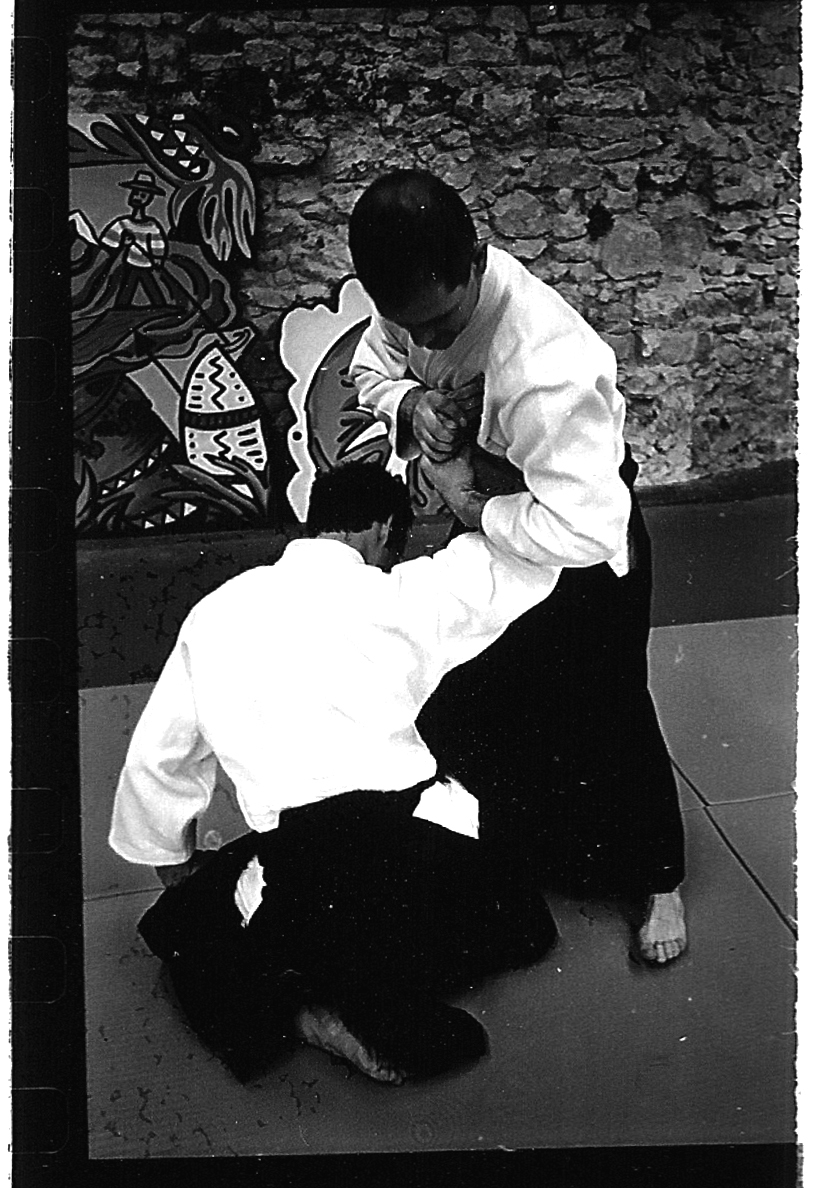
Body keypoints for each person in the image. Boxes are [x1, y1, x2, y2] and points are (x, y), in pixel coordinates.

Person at [109, 459, 564, 1086]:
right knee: (522, 927)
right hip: (412, 854)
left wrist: (176, 865)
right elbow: (531, 553)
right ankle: (360, 992)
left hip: (296, 866)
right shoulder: (406, 594)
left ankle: (303, 1004)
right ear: (383, 528)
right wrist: (466, 493)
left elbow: (160, 757)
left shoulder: (215, 613)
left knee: (198, 926)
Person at [348, 169, 687, 966]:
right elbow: (370, 368)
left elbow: (582, 527)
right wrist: (411, 404)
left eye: (441, 324)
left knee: (606, 703)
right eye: (411, 326)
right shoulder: (411, 296)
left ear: (474, 260)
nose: (430, 344)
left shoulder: (547, 363)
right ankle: (515, 845)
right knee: (479, 685)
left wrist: (466, 500)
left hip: (579, 532)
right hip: (497, 514)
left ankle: (659, 878)